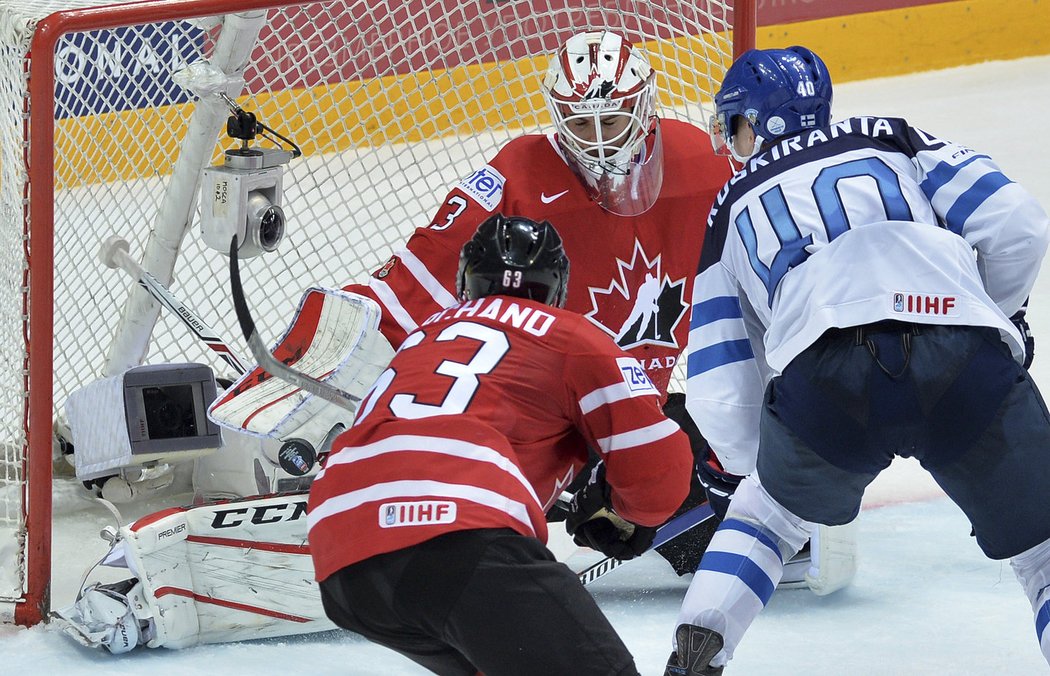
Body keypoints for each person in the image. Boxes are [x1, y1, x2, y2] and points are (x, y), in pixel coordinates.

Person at [203, 28, 739, 576]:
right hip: (548, 417)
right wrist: (317, 363)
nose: (600, 142)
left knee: (709, 489)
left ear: (644, 107)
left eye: (614, 119)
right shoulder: (521, 177)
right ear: (558, 119)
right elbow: (415, 280)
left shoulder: (702, 164)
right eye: (581, 123)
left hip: (628, 404)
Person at [665, 45, 1050, 674]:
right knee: (1043, 553)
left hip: (825, 380)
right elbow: (1019, 226)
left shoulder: (728, 205)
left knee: (765, 519)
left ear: (757, 123)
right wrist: (993, 318)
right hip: (960, 355)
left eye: (734, 123)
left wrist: (758, 469)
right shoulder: (894, 137)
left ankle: (693, 659)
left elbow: (719, 390)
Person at [307, 214, 694, 675]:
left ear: (467, 281)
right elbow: (658, 466)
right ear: (556, 288)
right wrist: (624, 513)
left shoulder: (421, 338)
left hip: (341, 557)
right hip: (454, 535)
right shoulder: (570, 335)